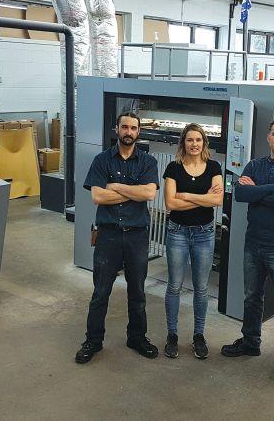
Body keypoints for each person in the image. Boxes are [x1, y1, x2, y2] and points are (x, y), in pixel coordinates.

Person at [220, 117, 274, 388]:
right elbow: (240, 195)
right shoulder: (255, 165)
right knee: (252, 298)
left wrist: (256, 191)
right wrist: (273, 188)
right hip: (254, 244)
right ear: (268, 137)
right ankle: (250, 342)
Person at [75, 112, 159, 364]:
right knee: (101, 292)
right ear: (117, 129)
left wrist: (116, 187)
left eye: (133, 128)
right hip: (108, 235)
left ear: (138, 132)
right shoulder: (102, 160)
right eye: (125, 127)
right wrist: (134, 192)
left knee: (138, 292)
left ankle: (137, 337)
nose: (128, 132)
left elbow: (149, 194)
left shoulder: (148, 162)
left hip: (137, 236)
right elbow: (98, 196)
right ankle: (93, 341)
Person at [162, 124, 223, 359]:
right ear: (183, 143)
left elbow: (217, 201)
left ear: (204, 143)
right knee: (174, 286)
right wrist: (204, 198)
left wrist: (186, 195)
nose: (194, 144)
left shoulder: (214, 167)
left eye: (198, 140)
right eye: (190, 140)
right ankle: (172, 335)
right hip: (177, 232)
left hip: (204, 233)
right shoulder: (173, 168)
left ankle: (199, 335)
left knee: (201, 287)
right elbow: (170, 204)